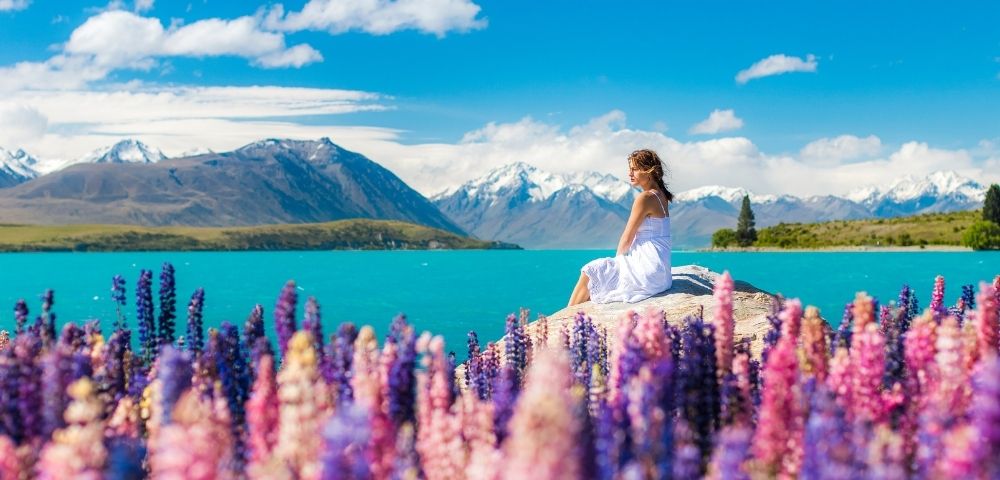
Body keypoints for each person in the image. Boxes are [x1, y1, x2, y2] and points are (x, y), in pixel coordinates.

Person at [567, 149, 673, 306]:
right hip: (661, 274)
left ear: (649, 170)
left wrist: (616, 265)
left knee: (591, 271)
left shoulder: (645, 198)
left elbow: (627, 237)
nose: (630, 174)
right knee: (600, 274)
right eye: (629, 169)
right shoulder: (661, 195)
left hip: (648, 272)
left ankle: (567, 317)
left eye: (634, 169)